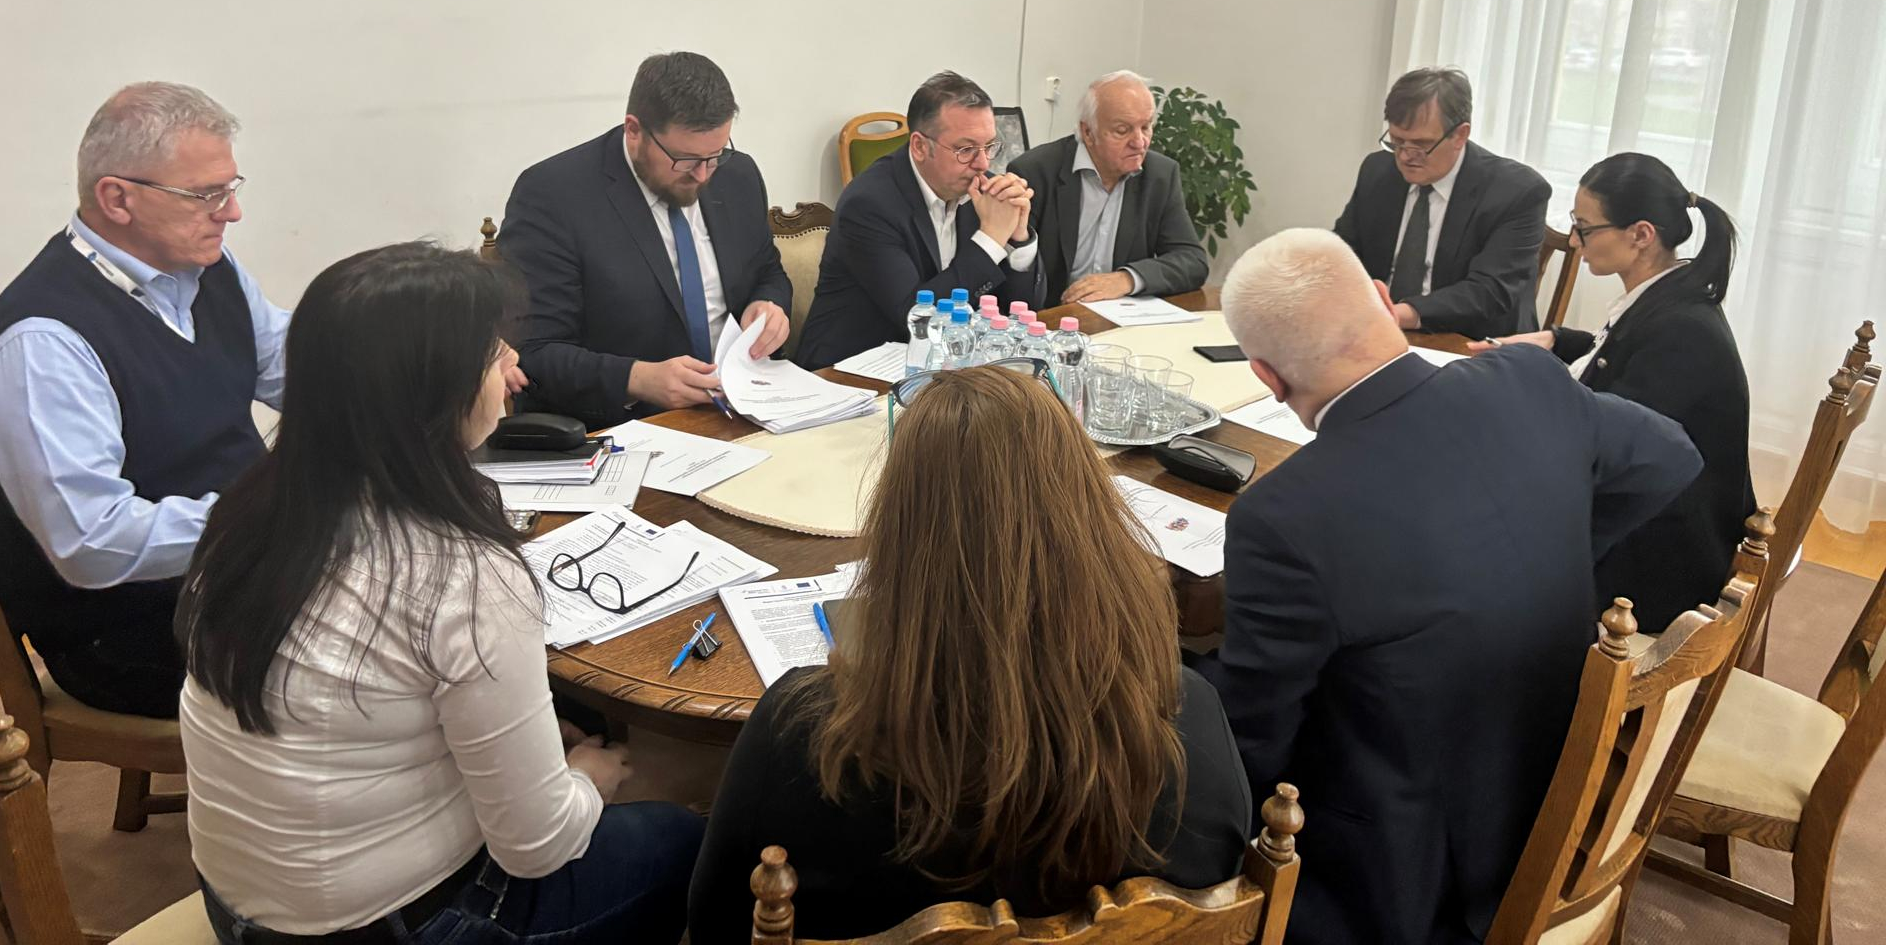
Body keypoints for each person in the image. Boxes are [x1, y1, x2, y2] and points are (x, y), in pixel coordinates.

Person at [179, 242, 703, 943]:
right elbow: (538, 845)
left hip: (235, 904)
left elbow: (360, 700)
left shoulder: (246, 512)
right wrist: (588, 777)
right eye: (492, 353)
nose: (513, 368)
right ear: (433, 393)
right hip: (389, 927)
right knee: (686, 839)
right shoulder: (460, 571)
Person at [1198, 228, 1701, 945]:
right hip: (1559, 783)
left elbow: (1250, 742)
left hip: (1405, 884)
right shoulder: (1528, 378)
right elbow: (1671, 456)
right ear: (1381, 300)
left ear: (1268, 378)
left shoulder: (1282, 517)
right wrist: (1554, 548)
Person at [689, 366, 1250, 942]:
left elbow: (714, 928)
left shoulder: (799, 739)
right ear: (1093, 516)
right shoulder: (1189, 719)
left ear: (898, 535)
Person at [0, 83, 290, 718]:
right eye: (206, 195)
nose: (231, 213)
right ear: (117, 199)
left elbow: (301, 372)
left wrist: (421, 379)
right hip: (126, 636)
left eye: (230, 188)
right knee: (401, 649)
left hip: (235, 573)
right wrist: (280, 518)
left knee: (438, 595)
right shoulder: (41, 344)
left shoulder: (208, 271)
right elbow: (91, 544)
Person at [1469, 153, 1753, 633]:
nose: (1573, 241)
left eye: (1584, 228)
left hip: (1661, 561)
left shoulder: (1681, 331)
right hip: (1664, 520)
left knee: (1474, 542)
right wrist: (1555, 340)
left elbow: (1609, 451)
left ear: (1640, 234)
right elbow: (1617, 354)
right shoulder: (1670, 297)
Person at [502, 52, 793, 426]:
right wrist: (637, 379)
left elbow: (768, 272)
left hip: (742, 408)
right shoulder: (553, 196)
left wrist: (769, 306)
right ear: (634, 130)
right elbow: (534, 352)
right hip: (625, 426)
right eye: (685, 160)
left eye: (715, 155)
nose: (703, 175)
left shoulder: (738, 176)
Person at [795, 72, 1044, 369]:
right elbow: (915, 315)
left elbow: (1023, 312)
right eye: (965, 150)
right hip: (850, 373)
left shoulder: (982, 191)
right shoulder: (869, 204)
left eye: (989, 146)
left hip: (944, 367)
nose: (983, 163)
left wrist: (1017, 237)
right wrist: (990, 240)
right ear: (920, 146)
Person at [1333, 67, 1550, 338]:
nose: (1406, 156)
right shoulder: (1378, 171)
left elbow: (1489, 292)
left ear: (1460, 135)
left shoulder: (1516, 191)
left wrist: (1399, 314)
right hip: (1380, 329)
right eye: (1397, 141)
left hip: (1471, 341)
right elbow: (1343, 252)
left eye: (1421, 144)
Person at [1012, 71, 1209, 305]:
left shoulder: (1160, 176)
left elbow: (1192, 261)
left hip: (1120, 315)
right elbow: (1013, 270)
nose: (1139, 142)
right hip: (1052, 315)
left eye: (1146, 127)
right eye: (1122, 130)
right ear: (1088, 132)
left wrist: (1127, 279)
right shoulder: (1035, 172)